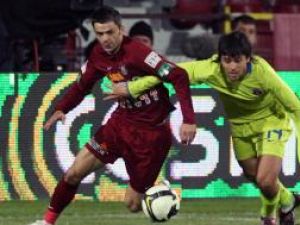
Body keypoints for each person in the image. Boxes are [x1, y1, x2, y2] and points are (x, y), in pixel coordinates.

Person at [105, 32, 300, 225]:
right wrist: (133, 88)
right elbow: (172, 71)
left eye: (237, 61)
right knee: (253, 175)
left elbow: (295, 107)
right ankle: (288, 201)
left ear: (248, 59)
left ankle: (268, 217)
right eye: (227, 60)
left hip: (271, 122)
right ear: (220, 59)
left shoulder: (263, 73)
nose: (232, 67)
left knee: (266, 180)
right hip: (240, 126)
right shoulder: (210, 69)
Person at [29, 6, 196, 225]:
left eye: (110, 32)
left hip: (151, 135)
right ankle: (47, 222)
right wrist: (62, 108)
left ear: (121, 30)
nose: (105, 39)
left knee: (133, 205)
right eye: (99, 34)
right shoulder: (98, 55)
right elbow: (82, 86)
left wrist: (189, 120)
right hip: (120, 125)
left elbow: (179, 75)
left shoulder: (139, 53)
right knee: (73, 174)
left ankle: (160, 188)